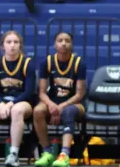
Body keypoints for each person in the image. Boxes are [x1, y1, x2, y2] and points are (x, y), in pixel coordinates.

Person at [0, 31, 36, 167]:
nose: (12, 45)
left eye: (16, 42)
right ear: (3, 46)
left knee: (17, 111)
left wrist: (10, 104)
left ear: (20, 45)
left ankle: (14, 154)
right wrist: (0, 104)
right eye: (9, 42)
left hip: (22, 101)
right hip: (2, 100)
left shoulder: (28, 64)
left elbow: (29, 91)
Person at [34, 32, 87, 167]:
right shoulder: (46, 62)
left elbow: (80, 94)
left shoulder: (79, 63)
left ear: (71, 44)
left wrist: (61, 106)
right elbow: (41, 93)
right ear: (55, 44)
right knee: (38, 111)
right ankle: (47, 152)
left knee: (68, 111)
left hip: (74, 103)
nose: (64, 43)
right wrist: (52, 105)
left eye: (67, 40)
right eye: (60, 40)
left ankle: (64, 154)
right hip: (52, 101)